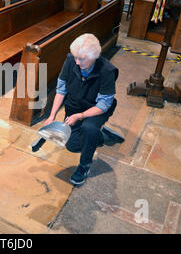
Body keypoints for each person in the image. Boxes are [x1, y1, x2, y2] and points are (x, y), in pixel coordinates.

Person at [43, 33, 124, 186]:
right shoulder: (71, 61)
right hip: (75, 106)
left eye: (81, 59)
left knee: (89, 128)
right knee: (72, 145)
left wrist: (80, 116)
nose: (77, 62)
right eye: (75, 57)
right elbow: (61, 90)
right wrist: (52, 115)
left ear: (94, 57)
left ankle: (84, 166)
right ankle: (101, 135)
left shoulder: (107, 71)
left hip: (96, 110)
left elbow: (103, 105)